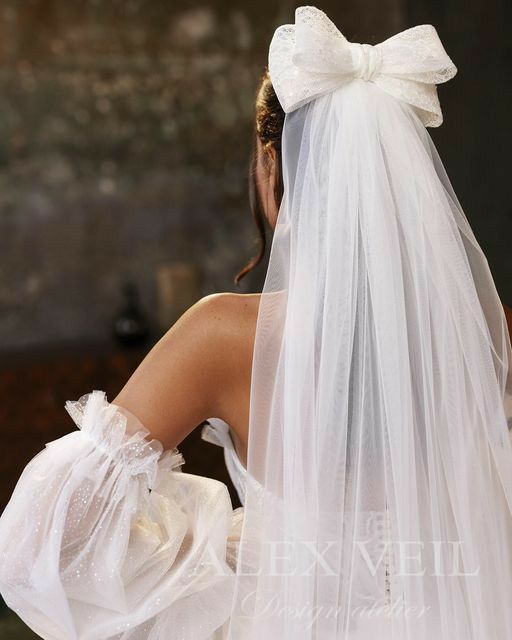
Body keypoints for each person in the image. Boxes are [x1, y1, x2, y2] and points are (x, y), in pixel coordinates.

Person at [1, 6, 512, 639]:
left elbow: (39, 545)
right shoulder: (487, 332)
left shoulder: (222, 336)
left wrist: (217, 555)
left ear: (271, 169)